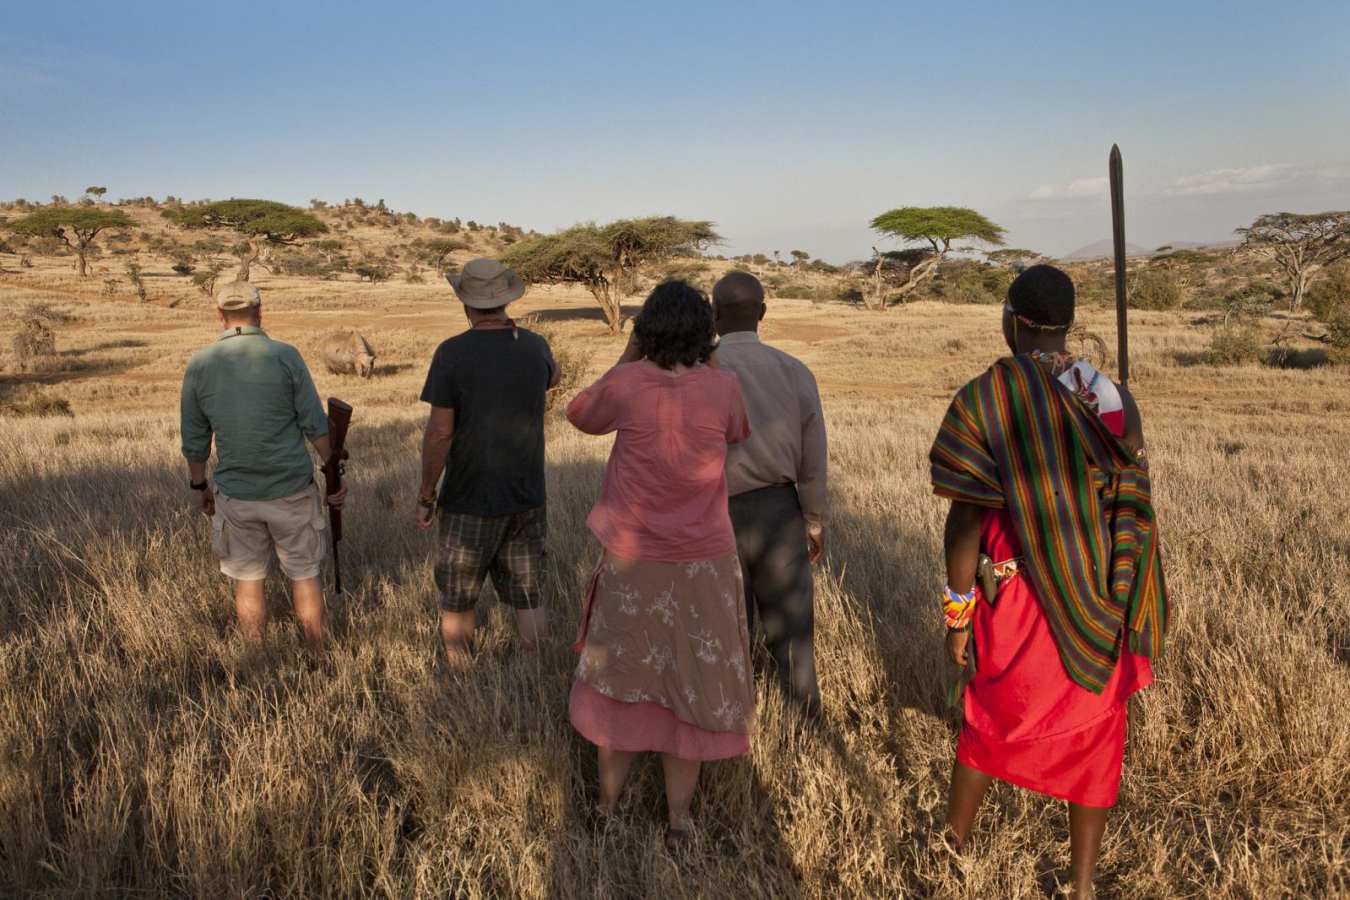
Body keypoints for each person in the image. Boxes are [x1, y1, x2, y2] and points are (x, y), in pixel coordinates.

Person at [928, 265, 1169, 898]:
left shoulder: (986, 397)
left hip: (1016, 594)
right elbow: (1131, 495)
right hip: (1102, 593)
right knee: (1094, 730)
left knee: (989, 714)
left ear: (1012, 320)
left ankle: (951, 847)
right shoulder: (1109, 395)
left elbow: (965, 520)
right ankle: (1082, 885)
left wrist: (958, 613)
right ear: (1067, 322)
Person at [566, 279, 753, 849]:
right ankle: (678, 823)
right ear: (707, 332)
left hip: (633, 560)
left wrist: (628, 354)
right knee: (692, 684)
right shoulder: (724, 387)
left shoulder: (626, 383)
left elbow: (579, 413)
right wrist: (708, 363)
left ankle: (606, 808)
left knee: (620, 679)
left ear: (646, 332)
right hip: (706, 564)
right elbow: (737, 431)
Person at [180, 282, 347, 657]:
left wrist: (198, 485)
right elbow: (315, 424)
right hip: (291, 490)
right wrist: (332, 471)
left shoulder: (200, 364)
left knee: (247, 581)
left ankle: (256, 658)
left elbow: (194, 437)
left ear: (220, 316)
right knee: (304, 575)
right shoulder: (286, 356)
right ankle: (317, 657)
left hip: (237, 494)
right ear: (260, 312)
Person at [416, 258, 559, 665]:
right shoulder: (535, 344)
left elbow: (440, 432)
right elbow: (555, 377)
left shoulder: (452, 353)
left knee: (458, 596)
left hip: (469, 497)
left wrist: (427, 494)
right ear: (506, 300)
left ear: (466, 303)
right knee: (527, 593)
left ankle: (460, 674)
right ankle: (536, 670)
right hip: (528, 493)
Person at [711, 271, 828, 719]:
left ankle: (726, 723)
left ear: (714, 314)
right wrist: (812, 520)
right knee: (793, 629)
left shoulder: (699, 370)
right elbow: (814, 459)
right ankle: (806, 722)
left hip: (710, 513)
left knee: (723, 629)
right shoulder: (795, 370)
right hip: (779, 511)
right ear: (762, 313)